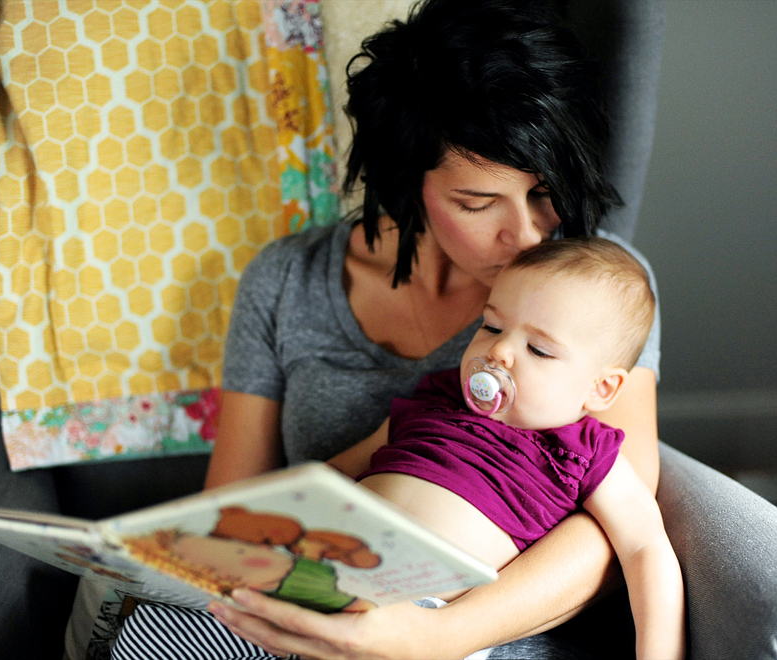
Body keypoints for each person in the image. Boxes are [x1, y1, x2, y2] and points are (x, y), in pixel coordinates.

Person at [112, 0, 663, 657]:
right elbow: (235, 508)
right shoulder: (287, 280)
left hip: (478, 635)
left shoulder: (594, 294)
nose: (528, 234)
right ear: (407, 183)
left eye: (545, 193)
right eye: (477, 202)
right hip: (307, 591)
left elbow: (612, 543)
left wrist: (435, 636)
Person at [351, 238, 684, 660]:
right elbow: (339, 470)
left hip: (417, 619)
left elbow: (645, 550)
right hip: (319, 567)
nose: (499, 351)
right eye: (492, 326)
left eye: (538, 349)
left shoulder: (585, 452)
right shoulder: (436, 398)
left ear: (601, 388)